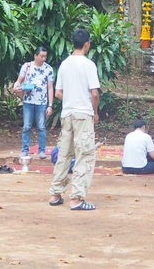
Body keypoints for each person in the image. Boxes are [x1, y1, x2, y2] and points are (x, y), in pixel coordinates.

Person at [48, 28, 101, 211]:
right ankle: (77, 198)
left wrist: (72, 98)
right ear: (87, 44)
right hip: (83, 114)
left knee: (65, 154)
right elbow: (94, 93)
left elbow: (58, 93)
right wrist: (95, 112)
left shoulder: (64, 64)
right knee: (84, 154)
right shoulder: (89, 65)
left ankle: (56, 193)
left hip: (67, 114)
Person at [14, 46, 55, 159]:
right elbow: (18, 81)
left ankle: (42, 150)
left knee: (41, 127)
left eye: (45, 56)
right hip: (28, 101)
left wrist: (50, 105)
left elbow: (50, 88)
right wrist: (16, 87)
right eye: (41, 56)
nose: (43, 58)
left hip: (42, 102)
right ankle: (25, 150)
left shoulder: (49, 69)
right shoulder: (27, 66)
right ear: (35, 56)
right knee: (26, 126)